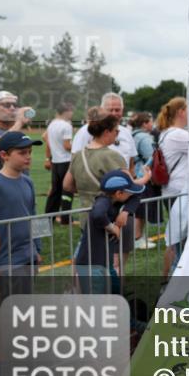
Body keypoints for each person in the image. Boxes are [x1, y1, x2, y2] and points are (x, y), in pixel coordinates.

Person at [0, 132, 42, 376]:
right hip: (6, 261)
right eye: (22, 152)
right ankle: (0, 363)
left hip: (27, 257)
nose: (28, 157)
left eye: (29, 152)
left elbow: (33, 216)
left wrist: (37, 247)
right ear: (4, 155)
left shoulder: (28, 182)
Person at [66, 113, 150, 276]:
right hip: (114, 218)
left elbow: (67, 185)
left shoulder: (78, 155)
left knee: (86, 262)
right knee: (115, 266)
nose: (117, 135)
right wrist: (145, 178)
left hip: (86, 216)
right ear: (106, 132)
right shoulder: (112, 156)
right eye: (116, 131)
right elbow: (130, 186)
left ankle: (79, 293)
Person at [75, 170, 144, 294]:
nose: (131, 194)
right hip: (92, 265)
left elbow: (137, 196)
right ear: (119, 193)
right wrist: (113, 228)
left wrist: (125, 211)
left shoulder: (116, 201)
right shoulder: (103, 201)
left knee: (116, 291)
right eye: (129, 192)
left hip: (105, 262)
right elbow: (97, 215)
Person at [156, 98, 188, 277]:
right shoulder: (178, 134)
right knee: (181, 242)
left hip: (171, 191)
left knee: (175, 239)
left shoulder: (167, 133)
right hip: (179, 192)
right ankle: (172, 280)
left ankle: (166, 277)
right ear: (181, 112)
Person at [71, 92, 137, 168]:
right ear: (102, 110)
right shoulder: (86, 131)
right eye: (110, 110)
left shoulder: (126, 132)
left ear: (122, 110)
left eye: (117, 110)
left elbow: (131, 163)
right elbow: (75, 162)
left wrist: (132, 178)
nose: (114, 113)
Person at [129, 112, 158, 251]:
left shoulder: (133, 135)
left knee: (138, 209)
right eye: (150, 121)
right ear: (145, 123)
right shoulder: (144, 137)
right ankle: (137, 239)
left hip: (135, 174)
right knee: (141, 211)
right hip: (143, 175)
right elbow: (151, 157)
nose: (152, 124)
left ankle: (139, 237)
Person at [44, 103, 75, 224]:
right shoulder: (66, 125)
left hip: (56, 162)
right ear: (66, 111)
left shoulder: (52, 124)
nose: (72, 113)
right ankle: (66, 219)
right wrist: (79, 148)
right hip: (66, 161)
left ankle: (49, 218)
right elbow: (67, 146)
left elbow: (45, 138)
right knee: (67, 190)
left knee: (55, 192)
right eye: (71, 111)